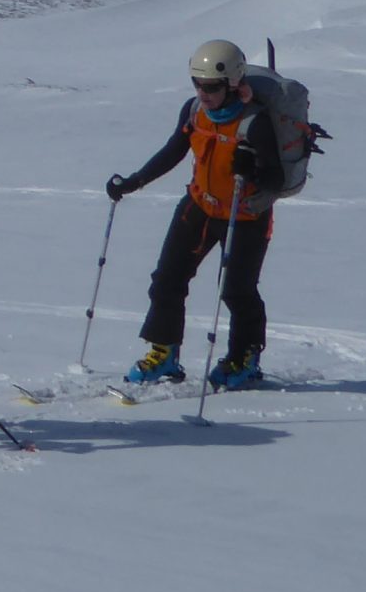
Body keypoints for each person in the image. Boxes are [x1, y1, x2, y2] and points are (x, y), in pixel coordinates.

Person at [106, 39, 286, 390]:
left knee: (237, 291)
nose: (203, 94)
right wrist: (134, 181)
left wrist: (253, 170)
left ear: (232, 84)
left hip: (245, 215)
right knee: (167, 280)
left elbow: (276, 180)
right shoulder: (194, 112)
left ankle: (244, 357)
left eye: (212, 87)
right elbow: (175, 149)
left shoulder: (255, 123)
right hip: (199, 206)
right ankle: (164, 353)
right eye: (198, 85)